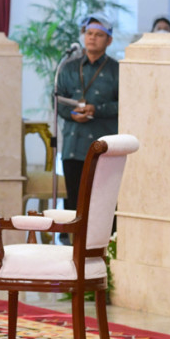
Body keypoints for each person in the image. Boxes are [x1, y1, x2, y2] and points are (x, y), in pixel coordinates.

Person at [55, 14, 119, 226]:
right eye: (89, 33)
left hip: (102, 147)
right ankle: (72, 248)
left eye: (99, 35)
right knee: (74, 203)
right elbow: (57, 101)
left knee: (102, 203)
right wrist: (71, 114)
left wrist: (97, 109)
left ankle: (103, 249)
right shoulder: (69, 67)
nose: (92, 38)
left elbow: (126, 104)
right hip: (73, 146)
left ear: (109, 40)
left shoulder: (117, 70)